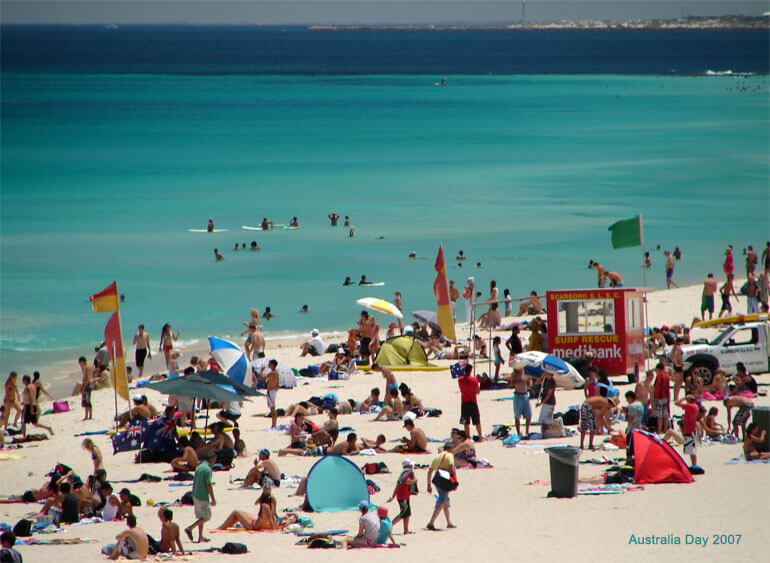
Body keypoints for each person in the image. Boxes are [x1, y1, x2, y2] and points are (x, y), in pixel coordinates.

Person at [185, 452, 216, 543]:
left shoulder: (199, 467)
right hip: (202, 495)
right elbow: (208, 485)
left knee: (201, 517)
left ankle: (200, 537)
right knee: (206, 517)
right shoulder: (207, 469)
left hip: (195, 494)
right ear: (211, 459)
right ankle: (190, 528)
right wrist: (213, 498)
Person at [426, 442, 457, 531]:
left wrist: (428, 485)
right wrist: (454, 481)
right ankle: (431, 522)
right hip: (445, 479)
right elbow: (452, 468)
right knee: (442, 501)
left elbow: (430, 471)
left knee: (446, 500)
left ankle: (449, 522)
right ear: (450, 449)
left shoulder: (437, 457)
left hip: (437, 478)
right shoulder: (449, 455)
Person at [388, 459, 417, 534]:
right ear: (408, 465)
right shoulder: (408, 472)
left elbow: (397, 485)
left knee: (407, 513)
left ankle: (406, 530)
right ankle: (388, 527)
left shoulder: (403, 473)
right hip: (403, 496)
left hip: (403, 495)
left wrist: (393, 496)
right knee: (404, 513)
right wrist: (415, 481)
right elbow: (407, 481)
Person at [457, 364, 482, 440]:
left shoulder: (460, 379)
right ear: (471, 370)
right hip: (472, 401)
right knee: (477, 421)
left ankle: (467, 437)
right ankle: (480, 438)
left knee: (466, 422)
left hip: (464, 402)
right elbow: (477, 392)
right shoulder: (474, 380)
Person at [675, 394, 699, 466]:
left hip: (689, 430)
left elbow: (676, 403)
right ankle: (694, 464)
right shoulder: (695, 406)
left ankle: (694, 465)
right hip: (692, 429)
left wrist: (684, 398)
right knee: (692, 450)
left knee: (691, 450)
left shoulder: (690, 406)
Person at [509, 367, 531, 437]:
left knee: (528, 415)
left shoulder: (526, 374)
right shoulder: (514, 374)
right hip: (518, 395)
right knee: (517, 415)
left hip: (525, 394)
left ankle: (527, 432)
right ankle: (518, 432)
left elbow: (530, 385)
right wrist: (518, 381)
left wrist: (528, 381)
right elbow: (511, 384)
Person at [652, 362, 671, 434]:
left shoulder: (659, 375)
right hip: (665, 397)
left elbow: (656, 386)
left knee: (659, 416)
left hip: (658, 397)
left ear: (658, 369)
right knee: (665, 415)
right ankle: (665, 430)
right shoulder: (667, 376)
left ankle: (659, 431)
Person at [264, 359, 279, 428]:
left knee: (272, 409)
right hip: (273, 391)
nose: (268, 365)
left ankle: (274, 425)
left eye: (270, 364)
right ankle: (274, 424)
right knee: (272, 408)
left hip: (271, 392)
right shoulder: (276, 373)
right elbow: (277, 383)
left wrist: (262, 370)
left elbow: (262, 378)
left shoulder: (272, 373)